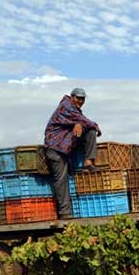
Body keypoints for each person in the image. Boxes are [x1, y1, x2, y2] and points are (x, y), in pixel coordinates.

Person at [44, 87, 102, 219]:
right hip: (55, 148)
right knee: (61, 179)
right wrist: (92, 125)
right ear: (72, 97)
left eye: (83, 99)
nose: (80, 101)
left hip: (65, 148)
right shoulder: (66, 106)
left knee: (89, 131)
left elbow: (82, 120)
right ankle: (65, 213)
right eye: (78, 98)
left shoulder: (74, 111)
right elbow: (86, 121)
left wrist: (79, 124)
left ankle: (89, 160)